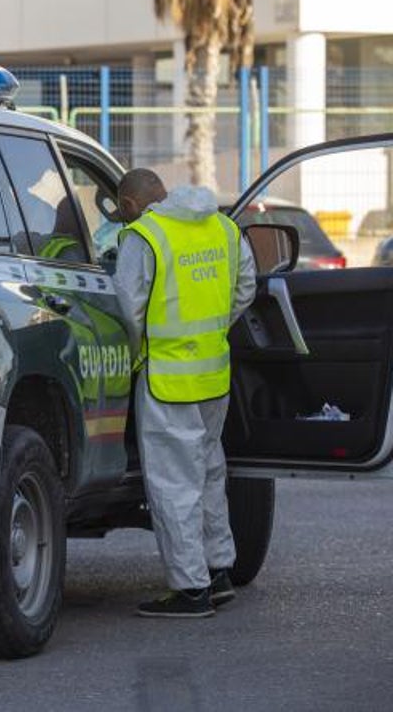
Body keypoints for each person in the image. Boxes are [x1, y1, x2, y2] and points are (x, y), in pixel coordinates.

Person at [113, 168, 256, 618]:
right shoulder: (224, 227)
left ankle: (190, 590)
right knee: (209, 472)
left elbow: (128, 306)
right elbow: (245, 289)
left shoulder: (144, 235)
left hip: (167, 379)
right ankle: (217, 572)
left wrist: (143, 354)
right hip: (213, 376)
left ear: (132, 205)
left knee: (174, 485)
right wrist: (210, 333)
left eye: (120, 210)